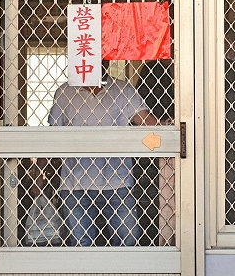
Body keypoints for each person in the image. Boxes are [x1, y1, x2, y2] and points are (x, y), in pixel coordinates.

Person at [47, 66, 161, 246]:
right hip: (75, 183)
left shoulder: (122, 89)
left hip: (117, 181)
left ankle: (121, 267)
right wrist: (39, 174)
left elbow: (145, 120)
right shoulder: (65, 91)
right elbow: (52, 135)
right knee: (81, 244)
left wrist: (169, 129)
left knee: (128, 240)